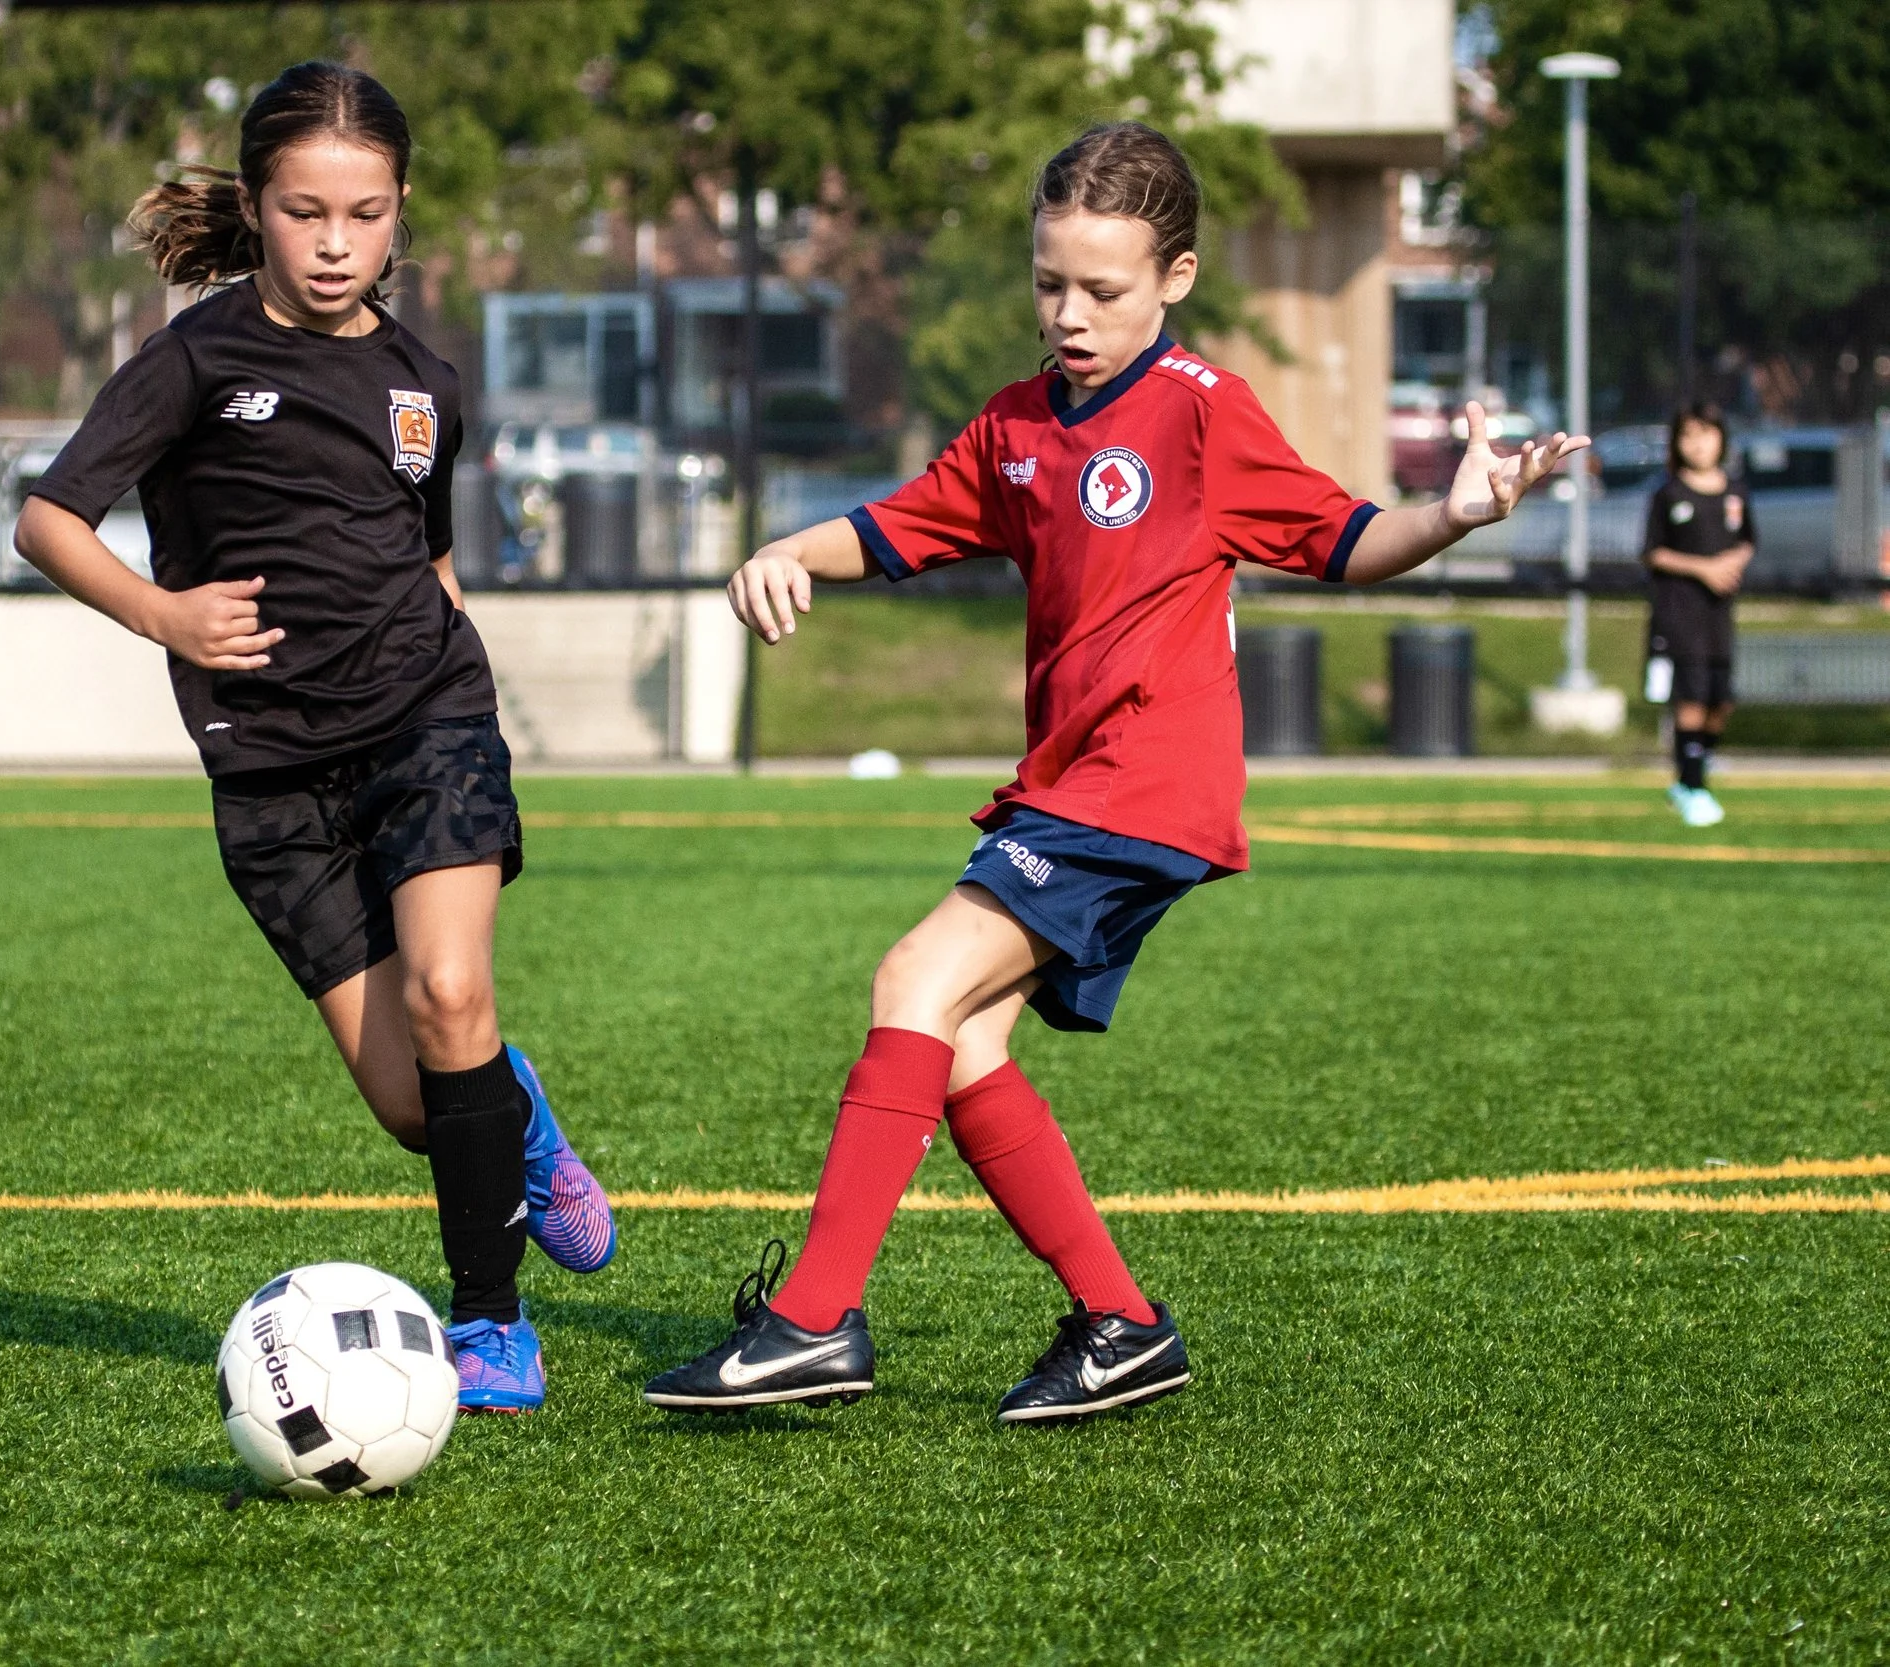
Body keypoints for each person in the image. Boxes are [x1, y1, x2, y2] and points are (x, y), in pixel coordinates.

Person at [641, 122, 1586, 1423]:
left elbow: (1348, 538)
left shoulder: (1203, 415)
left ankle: (812, 1320)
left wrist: (1458, 513)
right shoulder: (1021, 423)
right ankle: (1123, 1324)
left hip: (1149, 778)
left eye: (1104, 289)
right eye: (1049, 284)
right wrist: (792, 548)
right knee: (962, 1038)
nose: (1070, 314)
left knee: (914, 976)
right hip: (1069, 781)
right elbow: (906, 523)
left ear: (1175, 279)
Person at [12, 61, 614, 1414]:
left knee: (452, 991)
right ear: (257, 208)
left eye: (365, 212)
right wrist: (165, 611)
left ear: (402, 213)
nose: (335, 243)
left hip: (426, 719)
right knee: (418, 1104)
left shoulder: (424, 384)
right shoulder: (193, 362)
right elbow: (47, 519)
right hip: (272, 778)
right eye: (304, 212)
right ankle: (516, 1114)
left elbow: (431, 557)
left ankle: (494, 1325)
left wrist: (473, 705)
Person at [1641, 402, 1754, 827]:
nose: (1698, 443)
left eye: (1706, 433)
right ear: (1676, 442)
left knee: (1721, 701)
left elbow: (1748, 541)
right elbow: (1652, 553)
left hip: (1719, 614)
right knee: (1691, 696)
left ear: (1721, 438)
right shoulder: (1667, 493)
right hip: (1680, 612)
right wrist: (1703, 568)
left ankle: (1693, 775)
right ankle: (1692, 786)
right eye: (1688, 435)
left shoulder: (1736, 492)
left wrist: (1732, 564)